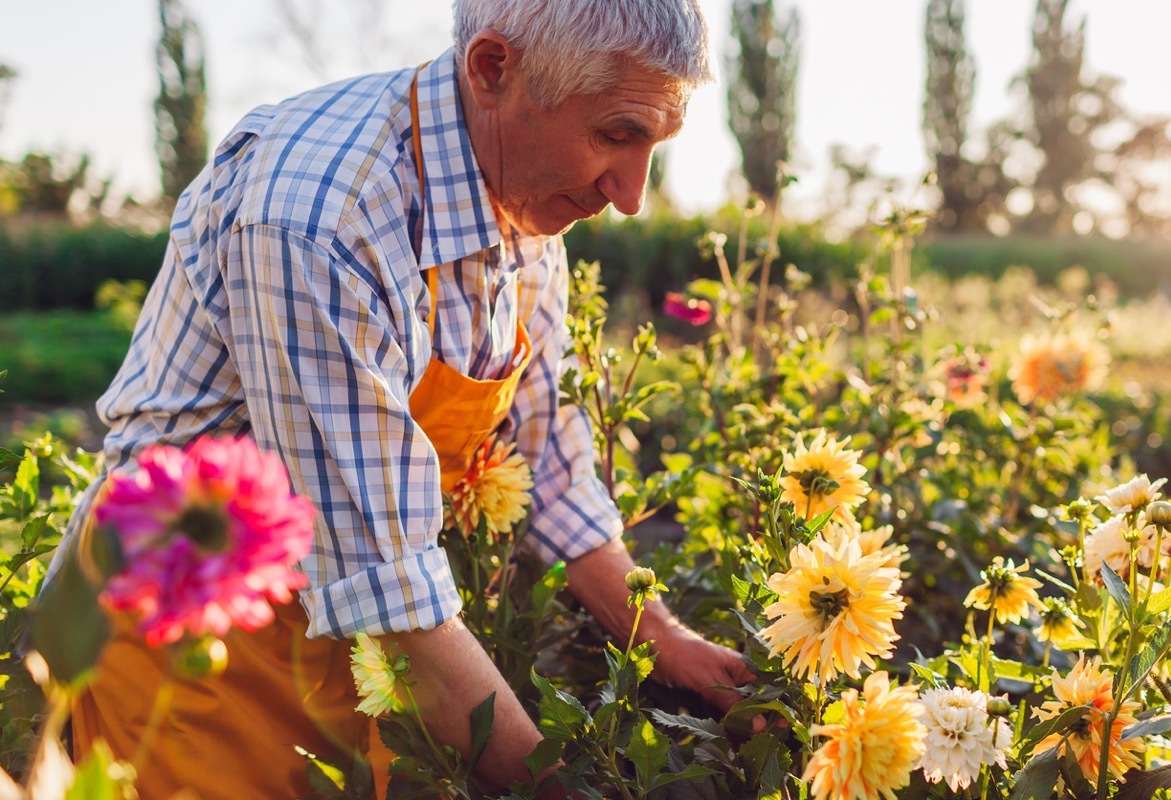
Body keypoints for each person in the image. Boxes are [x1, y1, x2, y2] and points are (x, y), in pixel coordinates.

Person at [61, 0, 753, 797]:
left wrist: (661, 636)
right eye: (615, 135)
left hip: (360, 646)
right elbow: (386, 586)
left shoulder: (525, 202)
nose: (631, 194)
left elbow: (545, 464)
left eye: (653, 145)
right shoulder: (324, 216)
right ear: (494, 69)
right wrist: (558, 786)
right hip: (188, 638)